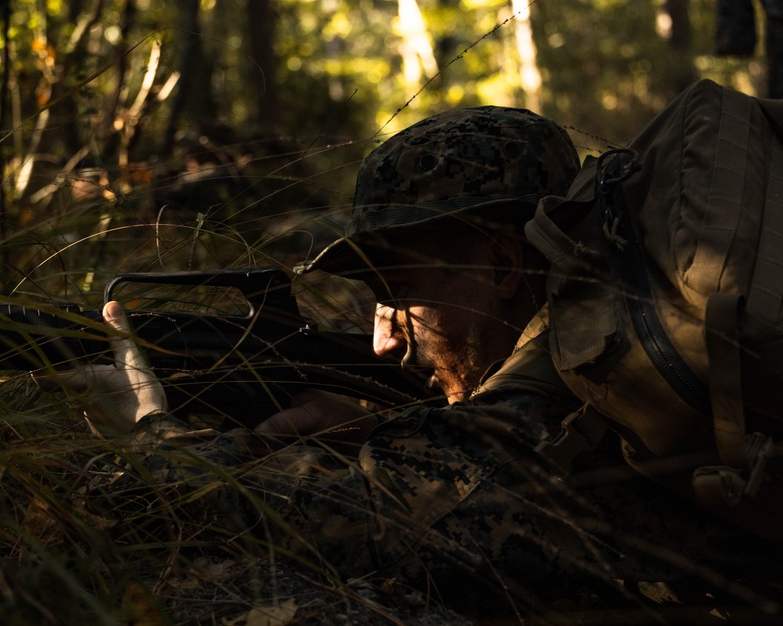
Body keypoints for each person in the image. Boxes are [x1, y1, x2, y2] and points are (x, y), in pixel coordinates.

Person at [66, 107, 781, 621]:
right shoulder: (615, 332)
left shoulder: (559, 413)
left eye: (398, 288)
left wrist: (148, 432)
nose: (381, 339)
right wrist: (382, 425)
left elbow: (314, 515)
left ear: (504, 263)